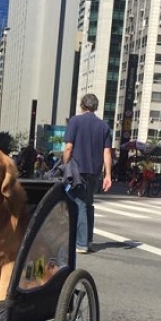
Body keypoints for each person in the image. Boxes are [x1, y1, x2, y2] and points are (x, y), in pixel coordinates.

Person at [62, 93, 112, 254]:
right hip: (95, 171)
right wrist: (108, 175)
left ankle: (81, 243)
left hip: (78, 170)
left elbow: (69, 147)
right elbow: (107, 152)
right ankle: (88, 239)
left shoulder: (75, 121)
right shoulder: (104, 126)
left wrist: (64, 165)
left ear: (82, 105)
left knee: (80, 204)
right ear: (95, 107)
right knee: (88, 204)